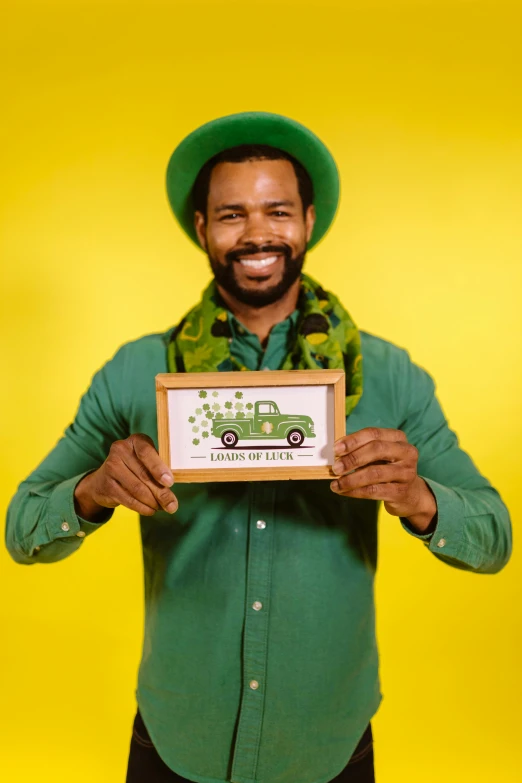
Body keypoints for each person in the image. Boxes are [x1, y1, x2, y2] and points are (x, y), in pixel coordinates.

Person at [5, 112, 512, 783]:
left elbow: (495, 536)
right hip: (176, 737)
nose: (256, 234)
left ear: (307, 220)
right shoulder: (135, 373)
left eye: (277, 210)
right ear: (202, 229)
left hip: (329, 742)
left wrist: (419, 498)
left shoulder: (388, 375)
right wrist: (91, 492)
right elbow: (22, 528)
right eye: (231, 214)